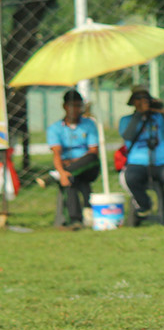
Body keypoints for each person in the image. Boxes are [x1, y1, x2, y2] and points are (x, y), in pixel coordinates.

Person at [118, 86, 164, 219]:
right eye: (138, 99)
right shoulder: (126, 120)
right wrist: (139, 114)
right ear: (133, 102)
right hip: (137, 163)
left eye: (145, 99)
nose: (142, 102)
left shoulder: (158, 118)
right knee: (130, 178)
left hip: (161, 163)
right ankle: (144, 204)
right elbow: (128, 136)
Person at [42, 89, 100, 229]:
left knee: (89, 158)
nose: (76, 109)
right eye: (72, 106)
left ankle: (55, 175)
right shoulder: (55, 128)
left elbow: (93, 152)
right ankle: (76, 219)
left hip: (89, 167)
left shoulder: (89, 124)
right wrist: (64, 172)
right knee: (70, 180)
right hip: (68, 168)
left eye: (78, 106)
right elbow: (56, 153)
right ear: (65, 107)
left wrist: (65, 169)